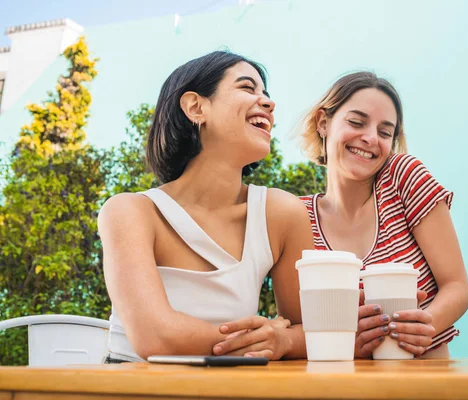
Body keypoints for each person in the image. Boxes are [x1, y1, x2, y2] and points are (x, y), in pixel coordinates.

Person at [98, 51, 313, 363]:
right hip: (132, 388)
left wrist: (283, 339)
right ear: (196, 107)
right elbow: (155, 337)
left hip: (226, 389)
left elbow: (311, 331)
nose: (268, 103)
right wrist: (268, 340)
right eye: (247, 88)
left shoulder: (282, 214)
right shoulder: (130, 212)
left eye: (266, 94)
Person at [297, 72, 468, 359]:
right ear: (323, 123)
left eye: (384, 131)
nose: (369, 138)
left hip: (426, 384)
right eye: (356, 122)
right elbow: (299, 324)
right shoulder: (298, 217)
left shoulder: (402, 178)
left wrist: (427, 324)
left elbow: (457, 286)